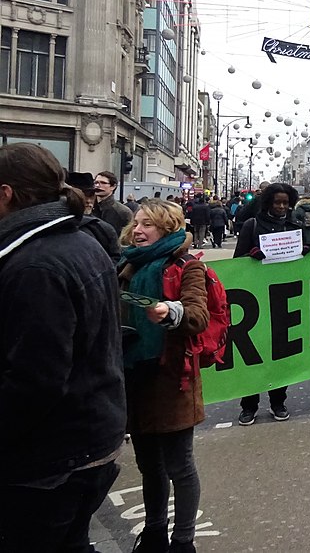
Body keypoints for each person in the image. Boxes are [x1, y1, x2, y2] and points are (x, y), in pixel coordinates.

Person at [0, 144, 126, 552]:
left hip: (51, 456)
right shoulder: (78, 242)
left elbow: (34, 381)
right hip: (86, 436)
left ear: (6, 194)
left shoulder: (36, 265)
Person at [118, 199, 209, 553]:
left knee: (179, 466)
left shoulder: (186, 266)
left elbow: (198, 316)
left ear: (168, 229)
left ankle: (183, 540)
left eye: (148, 225)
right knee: (148, 465)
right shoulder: (126, 263)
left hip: (171, 376)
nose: (138, 230)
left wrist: (171, 312)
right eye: (137, 224)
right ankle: (154, 532)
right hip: (133, 374)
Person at [234, 182, 303, 425]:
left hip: (285, 298)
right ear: (268, 203)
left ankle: (278, 401)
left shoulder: (295, 226)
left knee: (281, 354)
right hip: (256, 299)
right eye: (277, 203)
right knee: (253, 355)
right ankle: (249, 406)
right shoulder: (252, 225)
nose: (282, 207)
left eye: (286, 203)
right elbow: (237, 263)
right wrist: (251, 256)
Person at [93, 170, 134, 235]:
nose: (98, 186)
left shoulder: (123, 212)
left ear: (113, 186)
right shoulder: (88, 207)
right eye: (96, 182)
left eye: (103, 183)